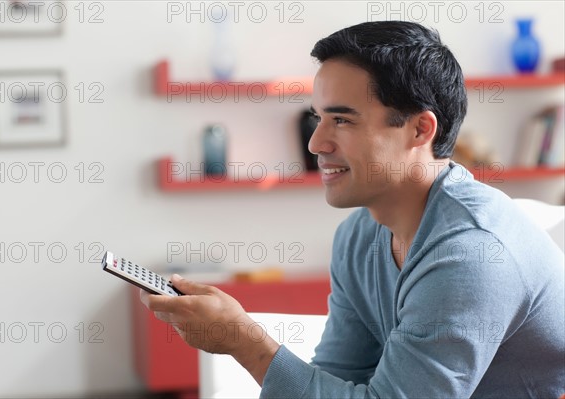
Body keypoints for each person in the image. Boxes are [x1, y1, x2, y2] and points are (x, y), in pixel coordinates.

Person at [141, 21, 565, 398]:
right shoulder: (359, 235)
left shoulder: (470, 254)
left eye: (342, 120)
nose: (316, 143)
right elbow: (337, 379)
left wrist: (243, 341)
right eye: (319, 118)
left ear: (420, 129)